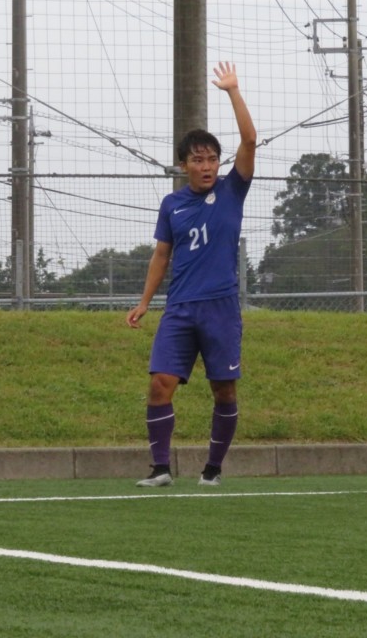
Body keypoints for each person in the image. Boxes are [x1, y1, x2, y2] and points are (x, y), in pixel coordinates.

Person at [126, 62, 256, 488]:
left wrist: (233, 91)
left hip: (220, 308)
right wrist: (145, 302)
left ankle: (213, 471)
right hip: (179, 309)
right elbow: (161, 255)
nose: (207, 166)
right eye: (198, 160)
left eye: (212, 159)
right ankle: (161, 468)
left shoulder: (232, 190)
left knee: (224, 390)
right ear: (183, 165)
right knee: (160, 384)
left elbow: (250, 140)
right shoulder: (172, 205)